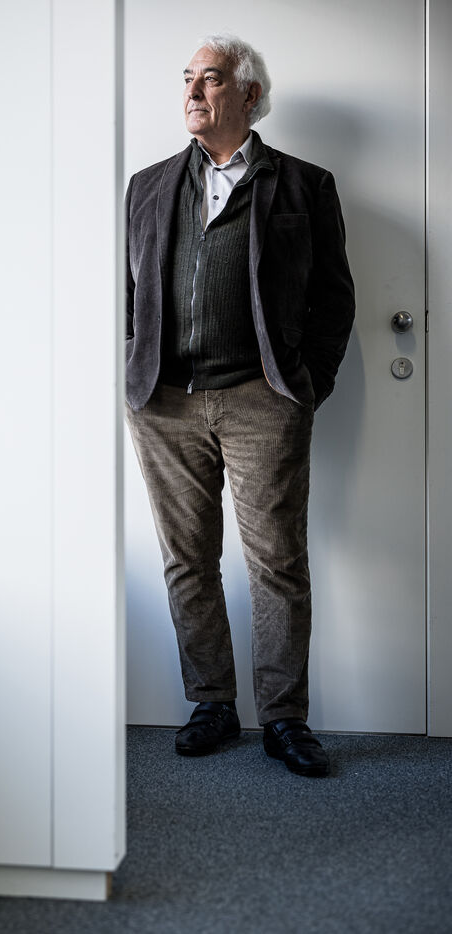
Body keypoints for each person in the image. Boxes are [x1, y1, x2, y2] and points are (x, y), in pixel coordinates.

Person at [124, 34, 355, 777]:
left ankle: (284, 717)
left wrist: (302, 389)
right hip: (164, 402)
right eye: (188, 78)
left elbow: (333, 300)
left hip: (263, 400)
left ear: (249, 94)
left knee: (276, 562)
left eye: (211, 78)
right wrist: (133, 365)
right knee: (186, 560)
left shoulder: (304, 185)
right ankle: (212, 703)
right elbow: (127, 294)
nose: (193, 92)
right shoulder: (148, 185)